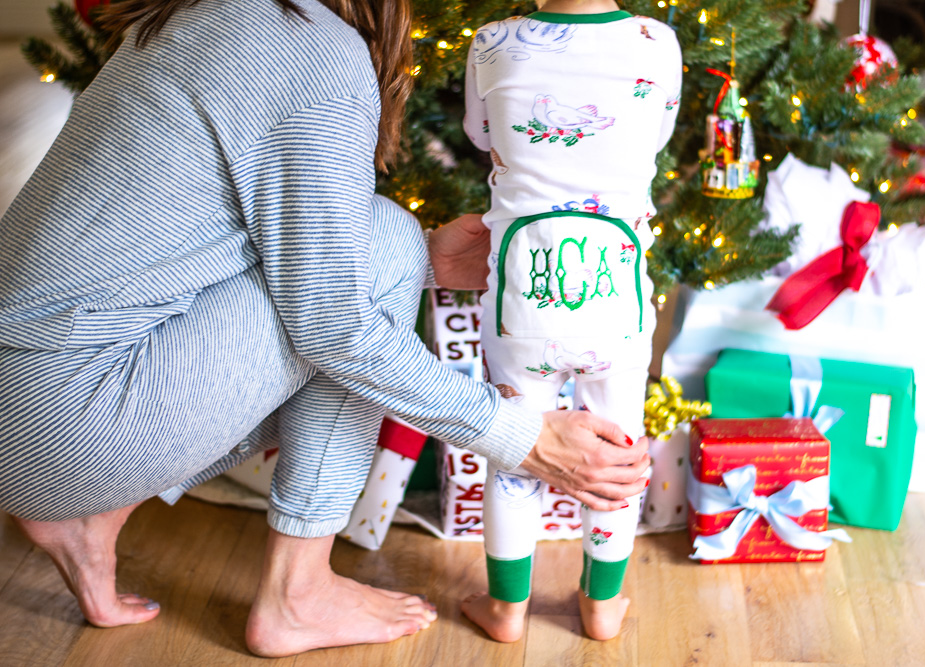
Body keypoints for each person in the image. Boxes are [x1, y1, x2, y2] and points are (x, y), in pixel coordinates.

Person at [0, 0, 652, 658]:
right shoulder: (313, 48)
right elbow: (334, 325)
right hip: (65, 417)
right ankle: (297, 595)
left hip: (29, 400)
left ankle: (91, 511)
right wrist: (521, 435)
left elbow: (224, 248)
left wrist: (424, 258)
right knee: (383, 245)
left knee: (389, 248)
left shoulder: (212, 12)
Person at [459, 0, 682, 642]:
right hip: (616, 302)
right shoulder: (655, 41)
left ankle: (506, 610)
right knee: (618, 450)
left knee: (514, 451)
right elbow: (657, 133)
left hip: (522, 296)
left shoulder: (492, 41)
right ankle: (603, 604)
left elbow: (482, 134)